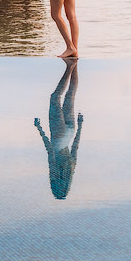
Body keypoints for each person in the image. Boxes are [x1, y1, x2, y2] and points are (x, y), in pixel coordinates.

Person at [34, 62, 83, 200]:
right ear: (54, 185)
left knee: (71, 94)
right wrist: (39, 129)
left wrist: (80, 125)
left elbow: (75, 146)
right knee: (55, 98)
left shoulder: (71, 170)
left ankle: (75, 63)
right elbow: (49, 150)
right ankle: (70, 66)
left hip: (70, 132)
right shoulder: (55, 171)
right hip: (58, 137)